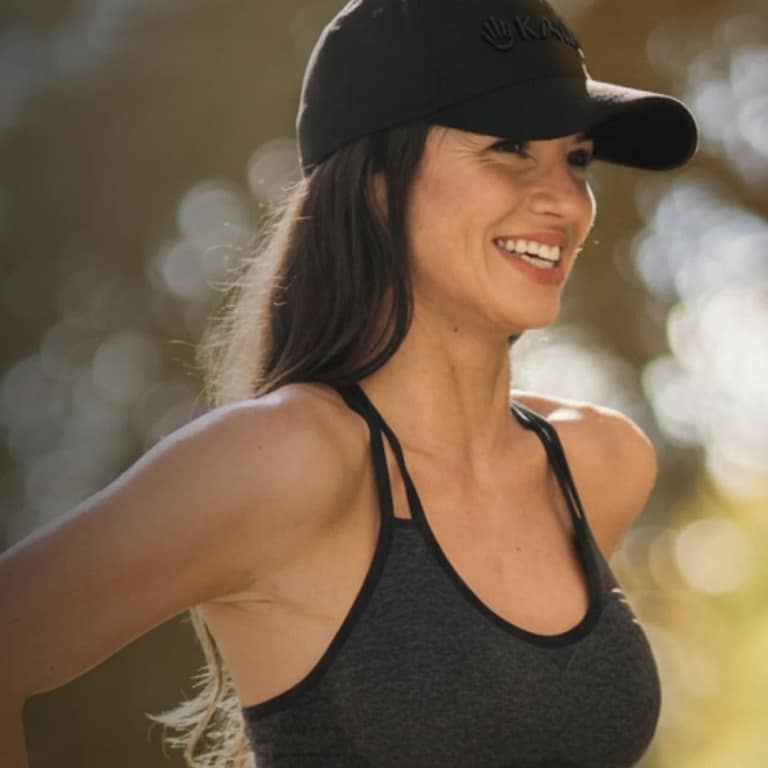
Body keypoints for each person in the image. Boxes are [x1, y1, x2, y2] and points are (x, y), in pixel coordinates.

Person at [1, 0, 697, 766]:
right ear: (375, 180)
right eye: (508, 148)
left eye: (578, 159)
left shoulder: (598, 465)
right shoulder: (285, 463)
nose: (566, 202)